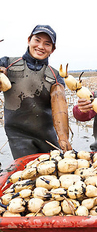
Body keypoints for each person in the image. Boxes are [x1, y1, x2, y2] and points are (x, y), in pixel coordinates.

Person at [0, 25, 72, 159]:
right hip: (18, 136)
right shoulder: (7, 63)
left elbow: (59, 108)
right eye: (37, 40)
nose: (40, 46)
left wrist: (63, 138)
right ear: (29, 40)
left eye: (47, 44)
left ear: (52, 49)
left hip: (47, 136)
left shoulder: (55, 76)